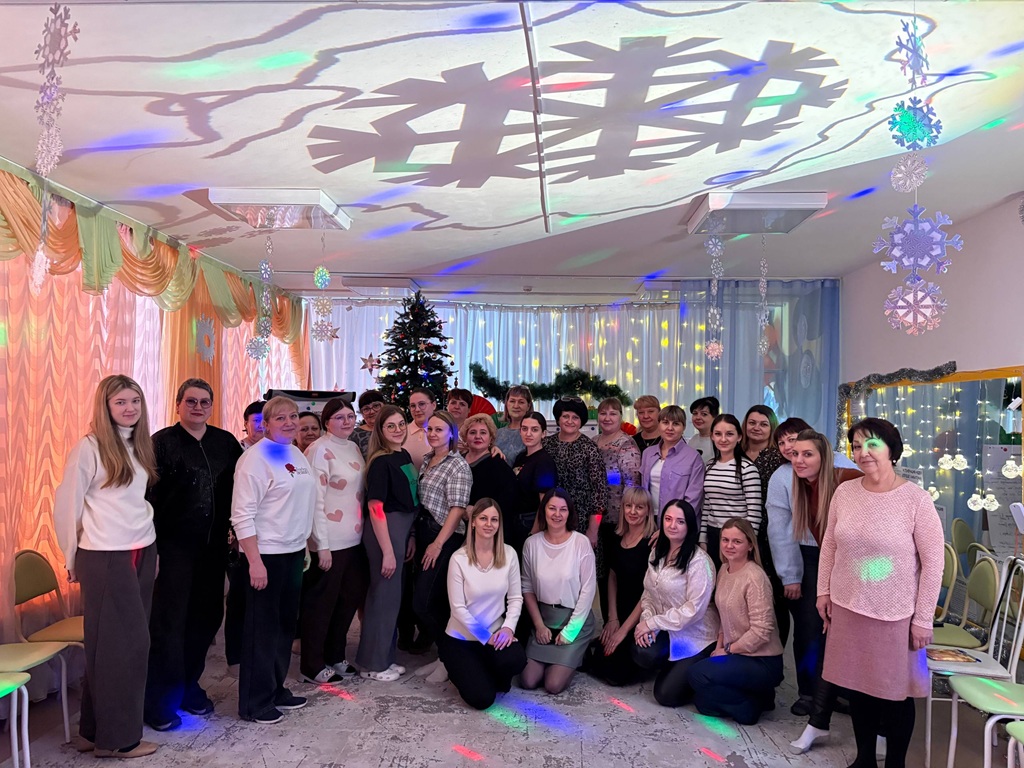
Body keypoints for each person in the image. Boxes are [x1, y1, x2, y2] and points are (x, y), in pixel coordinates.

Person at [817, 418, 943, 768]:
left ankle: (895, 764)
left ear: (892, 449)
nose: (863, 453)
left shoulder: (916, 500)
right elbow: (830, 545)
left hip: (895, 613)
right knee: (858, 687)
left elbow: (934, 564)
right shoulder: (845, 492)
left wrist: (923, 619)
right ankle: (865, 759)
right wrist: (823, 591)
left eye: (871, 444)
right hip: (848, 605)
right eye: (856, 446)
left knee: (895, 693)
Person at [54, 375, 160, 758]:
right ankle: (118, 740)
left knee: (109, 646)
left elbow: (135, 503)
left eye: (135, 401)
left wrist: (152, 551)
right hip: (105, 553)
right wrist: (70, 557)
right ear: (105, 406)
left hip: (140, 548)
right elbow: (67, 504)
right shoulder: (89, 447)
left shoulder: (138, 444)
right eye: (120, 402)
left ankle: (93, 731)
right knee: (126, 646)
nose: (130, 408)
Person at [144, 378, 243, 731]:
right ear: (178, 405)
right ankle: (159, 701)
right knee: (169, 623)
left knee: (206, 618)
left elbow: (240, 491)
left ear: (212, 406)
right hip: (173, 549)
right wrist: (152, 548)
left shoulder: (225, 443)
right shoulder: (160, 443)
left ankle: (188, 685)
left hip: (213, 549)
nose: (198, 407)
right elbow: (146, 498)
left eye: (204, 402)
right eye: (191, 401)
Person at [230, 396, 328, 724]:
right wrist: (254, 561)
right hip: (265, 555)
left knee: (285, 626)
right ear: (267, 424)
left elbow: (304, 504)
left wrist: (305, 546)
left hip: (293, 552)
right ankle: (254, 703)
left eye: (293, 417)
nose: (289, 423)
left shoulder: (295, 453)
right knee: (262, 630)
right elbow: (242, 515)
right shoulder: (255, 459)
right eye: (280, 418)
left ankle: (275, 688)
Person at [776, 430, 862, 753]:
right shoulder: (803, 487)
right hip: (837, 570)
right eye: (794, 454)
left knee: (848, 649)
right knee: (826, 641)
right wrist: (825, 590)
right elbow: (828, 548)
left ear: (825, 457)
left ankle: (878, 730)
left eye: (807, 454)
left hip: (864, 576)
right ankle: (818, 722)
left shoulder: (846, 479)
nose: (798, 460)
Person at [299, 398, 369, 685]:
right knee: (321, 604)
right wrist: (322, 545)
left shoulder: (352, 446)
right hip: (328, 542)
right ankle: (311, 664)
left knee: (348, 599)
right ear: (326, 421)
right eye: (339, 417)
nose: (347, 421)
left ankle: (335, 654)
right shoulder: (319, 450)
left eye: (350, 416)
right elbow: (315, 501)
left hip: (354, 539)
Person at [688, 518, 784, 725]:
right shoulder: (724, 569)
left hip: (761, 660)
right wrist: (719, 646)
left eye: (737, 541)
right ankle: (760, 696)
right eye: (725, 540)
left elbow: (762, 631)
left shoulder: (755, 578)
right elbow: (724, 616)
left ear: (750, 545)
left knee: (698, 675)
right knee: (701, 701)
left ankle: (750, 707)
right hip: (737, 654)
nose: (729, 546)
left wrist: (729, 650)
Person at [440, 499, 527, 710]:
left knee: (515, 660)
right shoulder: (458, 559)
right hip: (461, 639)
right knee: (482, 699)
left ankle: (484, 670)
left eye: (494, 519)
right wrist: (486, 637)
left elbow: (515, 598)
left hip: (495, 634)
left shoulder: (509, 554)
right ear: (473, 522)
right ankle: (458, 669)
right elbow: (458, 609)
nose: (489, 524)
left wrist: (508, 628)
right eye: (483, 518)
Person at [632, 499, 720, 706]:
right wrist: (647, 621)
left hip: (696, 636)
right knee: (641, 651)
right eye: (668, 519)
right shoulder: (657, 552)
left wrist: (653, 623)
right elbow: (649, 593)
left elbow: (694, 611)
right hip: (668, 628)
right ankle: (673, 666)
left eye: (680, 521)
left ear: (689, 526)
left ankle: (699, 667)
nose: (672, 525)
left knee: (666, 696)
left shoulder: (699, 562)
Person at [356, 405, 418, 682]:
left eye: (401, 424)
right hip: (385, 532)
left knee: (392, 599)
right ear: (380, 430)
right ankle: (373, 665)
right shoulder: (380, 462)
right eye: (390, 425)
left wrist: (410, 536)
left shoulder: (402, 454)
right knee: (382, 598)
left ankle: (384, 657)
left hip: (401, 530)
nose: (397, 429)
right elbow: (376, 507)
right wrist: (388, 552)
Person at [412, 411, 472, 676]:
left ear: (451, 433)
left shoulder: (457, 465)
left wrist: (437, 544)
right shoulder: (428, 459)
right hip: (424, 531)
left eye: (439, 429)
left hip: (444, 537)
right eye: (430, 429)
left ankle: (451, 657)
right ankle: (444, 656)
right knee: (431, 599)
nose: (433, 434)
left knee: (424, 601)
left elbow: (457, 509)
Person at [521, 489, 597, 695]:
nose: (557, 514)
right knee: (528, 680)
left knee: (553, 685)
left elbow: (588, 589)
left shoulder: (580, 543)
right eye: (552, 508)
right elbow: (527, 588)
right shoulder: (531, 544)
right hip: (545, 620)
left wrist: (570, 631)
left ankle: (578, 654)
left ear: (569, 513)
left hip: (575, 620)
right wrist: (539, 625)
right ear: (543, 511)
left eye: (563, 509)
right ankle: (562, 659)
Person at [588, 488, 656, 687]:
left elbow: (649, 594)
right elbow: (612, 577)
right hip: (619, 610)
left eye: (639, 507)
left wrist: (623, 630)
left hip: (640, 613)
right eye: (628, 506)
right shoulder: (617, 538)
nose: (632, 511)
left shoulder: (651, 544)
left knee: (616, 676)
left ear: (648, 510)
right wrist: (612, 618)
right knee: (597, 661)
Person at [740, 405, 788, 648]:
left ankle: (774, 651)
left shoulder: (778, 457)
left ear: (772, 428)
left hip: (770, 535)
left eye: (763, 424)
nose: (756, 428)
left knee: (771, 595)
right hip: (739, 534)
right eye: (752, 422)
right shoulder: (734, 452)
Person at [225, 399, 267, 667]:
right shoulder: (236, 451)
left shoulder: (278, 451)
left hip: (270, 535)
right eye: (256, 421)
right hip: (239, 533)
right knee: (240, 594)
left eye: (265, 420)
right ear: (246, 424)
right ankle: (236, 654)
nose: (261, 426)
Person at [594, 397, 642, 617]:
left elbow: (632, 485)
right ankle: (608, 622)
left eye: (613, 413)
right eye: (603, 413)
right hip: (597, 520)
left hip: (618, 521)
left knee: (618, 574)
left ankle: (621, 623)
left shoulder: (626, 445)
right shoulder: (594, 441)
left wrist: (627, 520)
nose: (607, 418)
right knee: (602, 575)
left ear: (621, 417)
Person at [541, 397, 607, 549]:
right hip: (552, 516)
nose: (570, 421)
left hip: (581, 519)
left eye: (575, 417)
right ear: (558, 418)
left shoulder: (590, 448)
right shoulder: (546, 444)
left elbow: (599, 493)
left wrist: (593, 530)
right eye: (565, 416)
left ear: (581, 421)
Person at [700, 414, 762, 572]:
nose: (723, 439)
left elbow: (754, 512)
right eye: (718, 434)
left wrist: (748, 543)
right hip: (713, 534)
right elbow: (706, 505)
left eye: (729, 434)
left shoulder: (748, 469)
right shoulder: (709, 466)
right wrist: (703, 538)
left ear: (739, 437)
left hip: (737, 537)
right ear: (712, 436)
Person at [462, 414, 521, 550]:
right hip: (457, 530)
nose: (478, 436)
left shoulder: (499, 466)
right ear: (465, 437)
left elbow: (508, 503)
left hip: (487, 534)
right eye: (472, 432)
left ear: (491, 438)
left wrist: (477, 512)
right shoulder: (457, 461)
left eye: (483, 432)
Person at [640, 405, 704, 524]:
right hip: (648, 519)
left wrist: (674, 523)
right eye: (665, 423)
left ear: (683, 427)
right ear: (659, 424)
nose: (670, 428)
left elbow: (693, 498)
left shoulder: (693, 457)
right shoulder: (647, 453)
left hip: (678, 522)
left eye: (676, 424)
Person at [513, 411, 558, 537]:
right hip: (516, 519)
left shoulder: (544, 462)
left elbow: (545, 501)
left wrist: (534, 532)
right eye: (524, 429)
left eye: (534, 430)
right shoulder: (521, 457)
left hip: (530, 520)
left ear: (543, 434)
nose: (528, 434)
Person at [494, 385, 533, 466]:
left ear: (528, 406)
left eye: (521, 402)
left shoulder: (532, 434)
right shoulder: (496, 433)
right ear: (506, 404)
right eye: (512, 401)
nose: (516, 406)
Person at [405, 387, 437, 471]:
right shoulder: (402, 433)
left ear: (433, 405)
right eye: (413, 406)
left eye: (422, 404)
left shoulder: (444, 432)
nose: (417, 409)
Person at [352, 390, 385, 459]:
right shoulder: (354, 435)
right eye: (366, 409)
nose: (371, 411)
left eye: (376, 406)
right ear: (362, 413)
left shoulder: (396, 429)